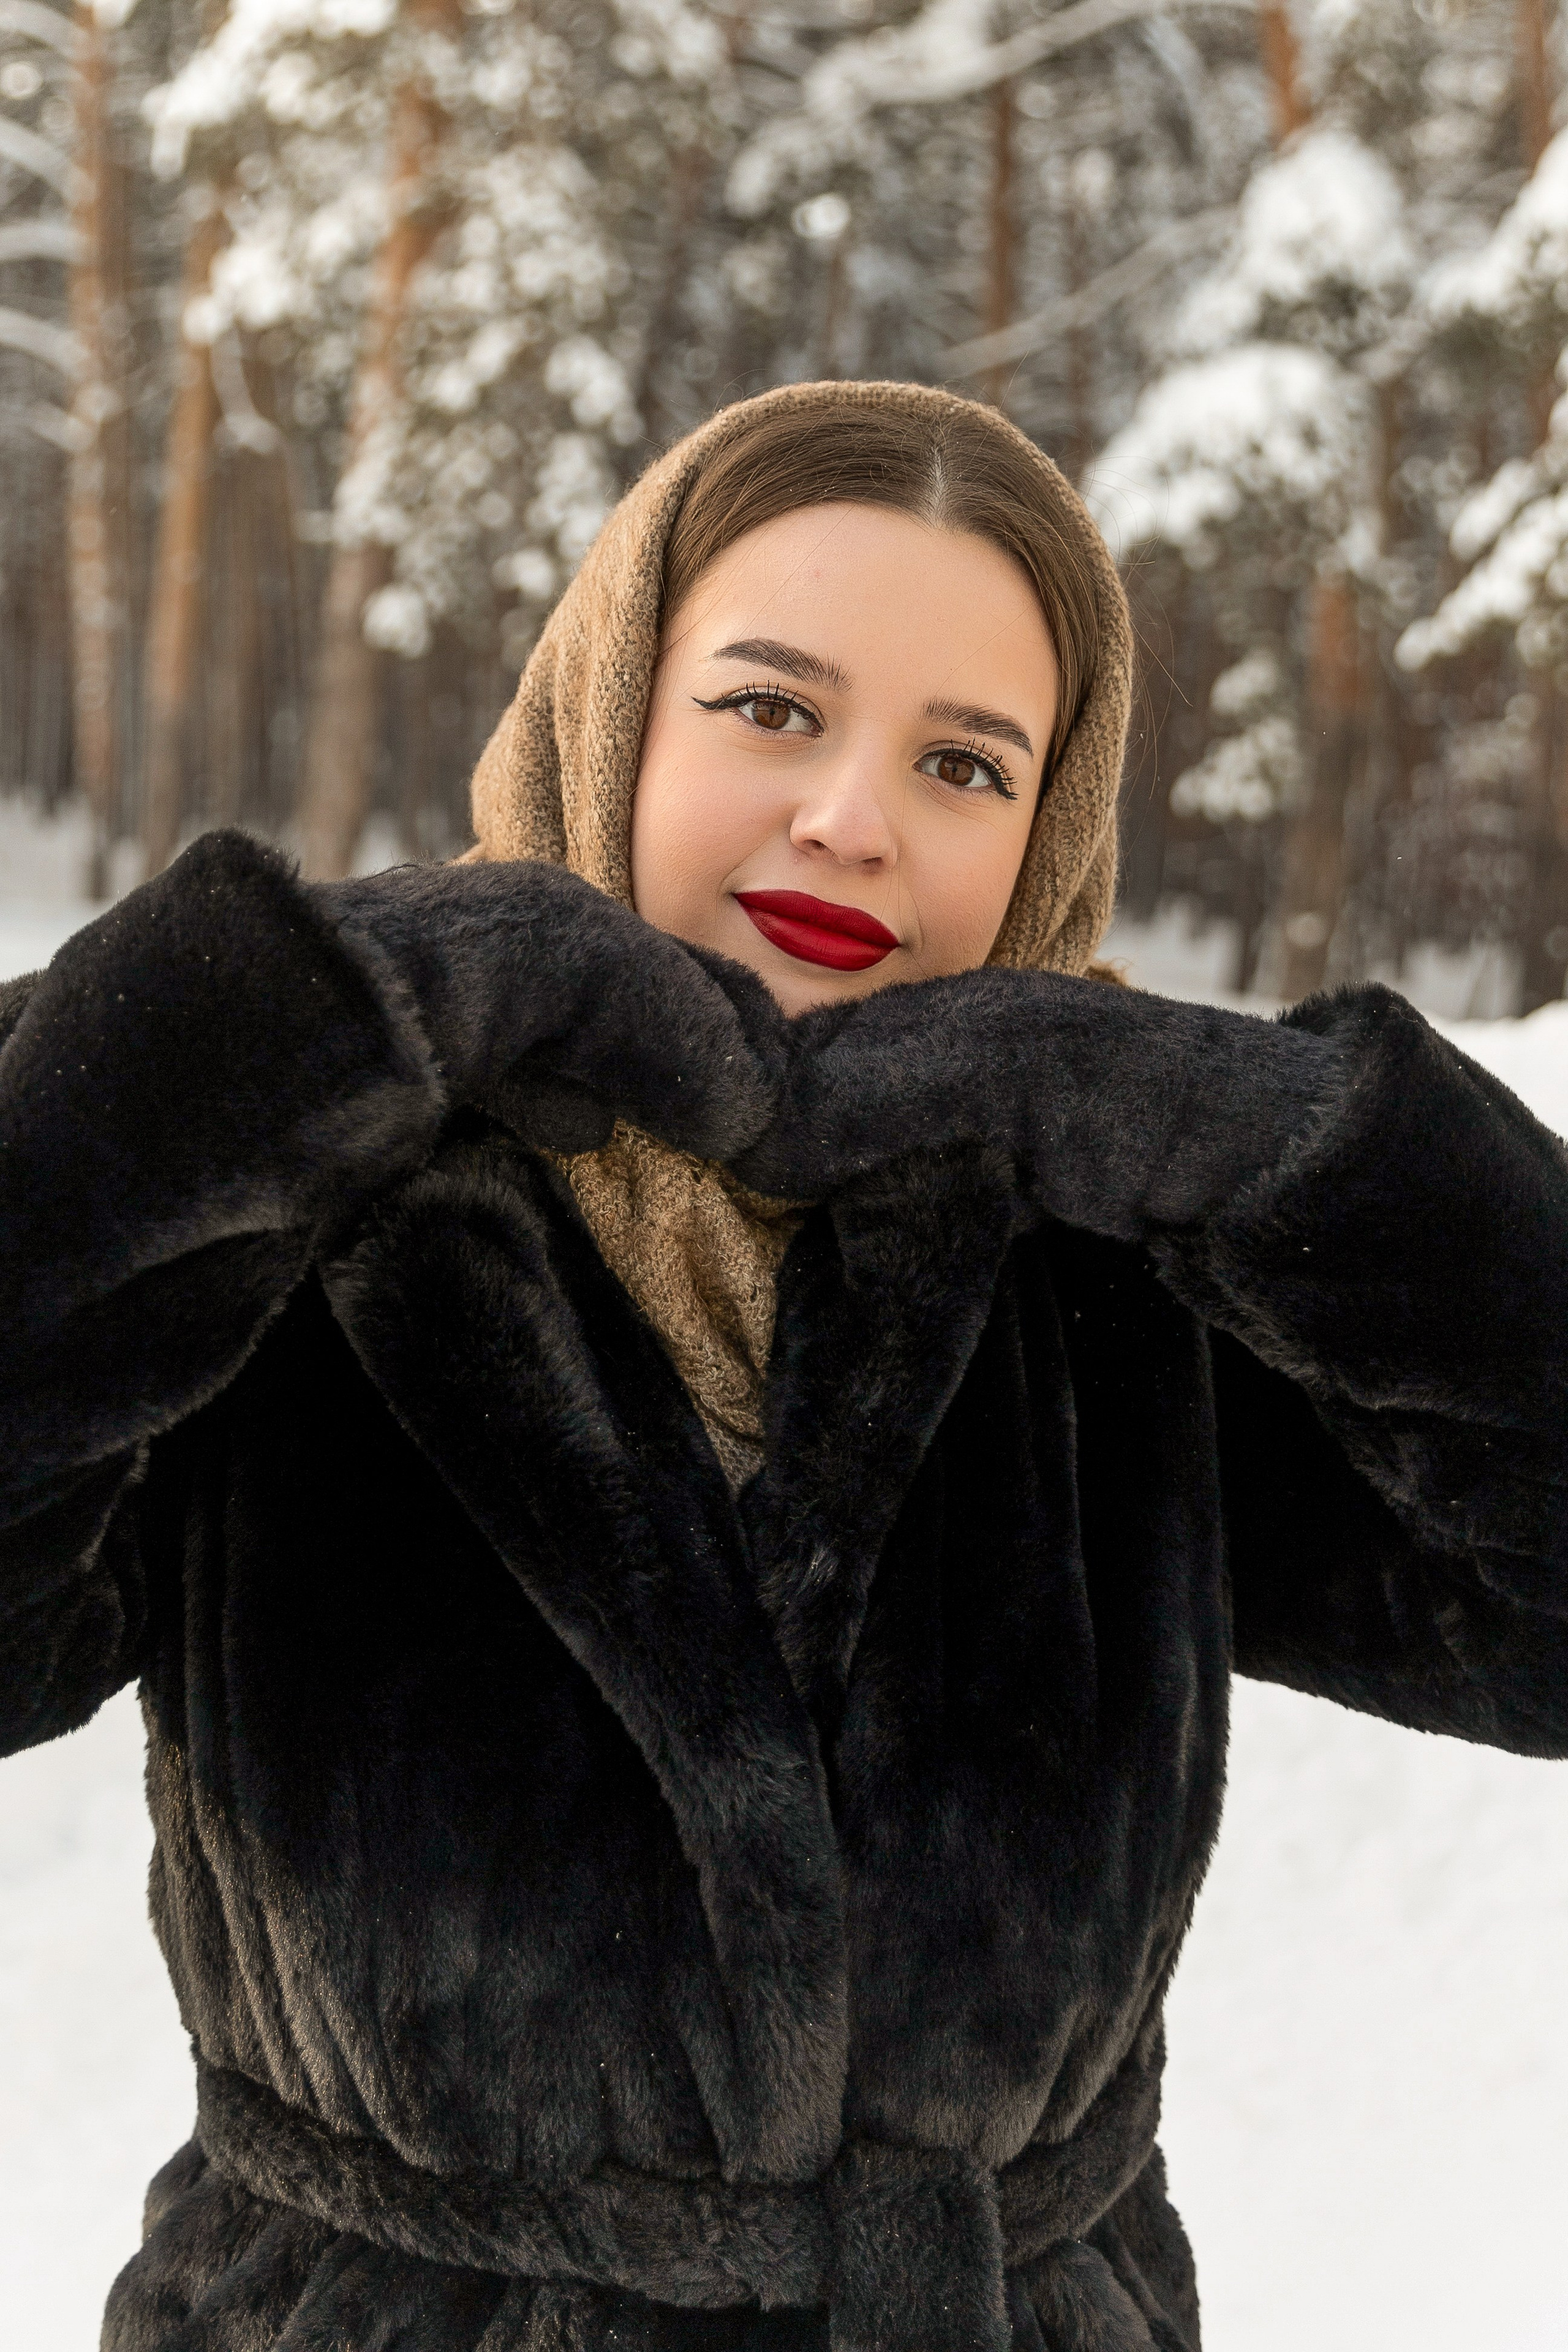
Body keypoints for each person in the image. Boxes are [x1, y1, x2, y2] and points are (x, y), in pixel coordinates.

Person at [1, 380, 1564, 2352]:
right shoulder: (299, 1221)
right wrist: (311, 1021)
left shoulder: (1115, 1276)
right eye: (769, 707)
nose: (856, 816)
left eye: (970, 765)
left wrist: (1271, 1143)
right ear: (612, 705)